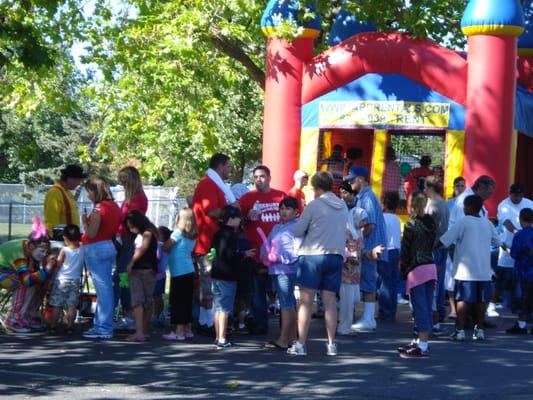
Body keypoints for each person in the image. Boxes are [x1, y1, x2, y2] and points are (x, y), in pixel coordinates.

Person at [287, 171, 349, 356]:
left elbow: (298, 230)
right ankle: (331, 345)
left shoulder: (314, 206)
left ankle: (301, 344)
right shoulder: (343, 205)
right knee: (330, 302)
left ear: (316, 188)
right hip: (335, 255)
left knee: (306, 302)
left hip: (312, 256)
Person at [439, 195, 503, 342]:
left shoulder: (463, 222)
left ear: (468, 207)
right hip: (484, 271)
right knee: (481, 302)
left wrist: (430, 247)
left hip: (465, 271)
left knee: (462, 300)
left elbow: (445, 241)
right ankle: (479, 330)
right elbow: (498, 241)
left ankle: (459, 331)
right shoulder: (487, 223)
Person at [192, 153, 236, 333]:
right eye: (228, 166)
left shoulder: (213, 184)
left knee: (214, 284)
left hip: (216, 243)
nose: (230, 170)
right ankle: (207, 322)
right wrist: (232, 212)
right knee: (209, 285)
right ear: (220, 166)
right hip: (208, 243)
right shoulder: (207, 184)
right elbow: (211, 211)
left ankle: (210, 321)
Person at [239, 165, 285, 335]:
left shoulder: (280, 196)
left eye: (262, 176)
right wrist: (246, 218)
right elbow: (236, 223)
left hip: (279, 254)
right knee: (258, 291)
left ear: (269, 177)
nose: (259, 180)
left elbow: (293, 220)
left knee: (283, 290)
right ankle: (261, 324)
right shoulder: (246, 198)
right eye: (256, 177)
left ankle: (286, 327)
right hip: (257, 254)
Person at [345, 165, 388, 332]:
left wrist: (355, 238)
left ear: (360, 179)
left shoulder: (368, 197)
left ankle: (369, 318)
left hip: (370, 246)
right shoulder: (364, 196)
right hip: (368, 245)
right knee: (365, 281)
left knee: (368, 281)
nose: (350, 183)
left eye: (352, 180)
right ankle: (367, 317)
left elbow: (369, 225)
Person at [397, 192, 436, 358]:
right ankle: (420, 341)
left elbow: (406, 250)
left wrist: (403, 269)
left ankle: (424, 344)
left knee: (419, 308)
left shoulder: (411, 224)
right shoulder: (431, 223)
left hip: (417, 268)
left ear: (412, 205)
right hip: (430, 265)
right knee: (426, 306)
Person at [0, 217, 57, 333]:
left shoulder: (30, 250)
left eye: (46, 252)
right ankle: (13, 319)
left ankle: (28, 316)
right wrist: (47, 269)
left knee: (41, 284)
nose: (44, 254)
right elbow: (27, 280)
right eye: (42, 252)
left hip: (9, 271)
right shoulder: (19, 254)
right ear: (31, 246)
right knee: (23, 283)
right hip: (3, 272)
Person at [82, 177, 121, 340]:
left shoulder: (99, 208)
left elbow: (91, 233)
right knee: (105, 288)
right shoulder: (114, 206)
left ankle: (104, 327)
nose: (88, 195)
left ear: (94, 191)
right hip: (108, 245)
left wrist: (85, 222)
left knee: (103, 290)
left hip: (96, 248)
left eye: (89, 191)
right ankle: (100, 325)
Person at [211, 206, 256, 349]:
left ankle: (218, 336)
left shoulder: (217, 234)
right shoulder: (231, 236)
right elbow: (230, 255)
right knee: (225, 308)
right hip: (227, 275)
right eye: (238, 218)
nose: (240, 221)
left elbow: (215, 253)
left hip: (216, 273)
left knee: (218, 307)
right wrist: (243, 254)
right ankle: (222, 338)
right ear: (231, 219)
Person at [261, 197, 301, 350]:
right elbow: (267, 245)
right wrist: (264, 255)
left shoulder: (296, 227)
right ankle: (291, 338)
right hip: (276, 270)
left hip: (287, 269)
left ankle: (284, 339)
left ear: (296, 212)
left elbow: (297, 251)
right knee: (287, 303)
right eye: (282, 208)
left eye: (288, 208)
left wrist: (279, 257)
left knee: (286, 304)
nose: (283, 211)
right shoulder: (276, 227)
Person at [490, 184, 533, 316]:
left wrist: (524, 236)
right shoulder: (504, 205)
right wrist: (518, 233)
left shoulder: (529, 203)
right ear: (509, 194)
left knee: (524, 283)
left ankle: (522, 309)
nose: (516, 198)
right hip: (509, 245)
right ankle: (492, 303)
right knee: (503, 277)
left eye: (519, 195)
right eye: (514, 195)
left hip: (527, 249)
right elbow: (506, 222)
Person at [114, 166, 148, 331]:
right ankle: (126, 313)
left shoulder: (139, 199)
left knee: (122, 277)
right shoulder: (130, 197)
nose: (121, 183)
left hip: (128, 241)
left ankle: (128, 314)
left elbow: (133, 220)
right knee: (121, 277)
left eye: (124, 180)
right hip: (121, 239)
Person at [162, 208, 198, 341]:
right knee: (186, 300)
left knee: (178, 301)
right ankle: (187, 329)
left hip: (179, 271)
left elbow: (166, 247)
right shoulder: (193, 235)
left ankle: (179, 331)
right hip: (188, 270)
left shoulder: (177, 233)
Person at [123, 211, 159, 342]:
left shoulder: (147, 233)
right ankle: (142, 330)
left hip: (141, 269)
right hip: (149, 270)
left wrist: (131, 262)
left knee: (138, 300)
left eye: (132, 226)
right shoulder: (149, 232)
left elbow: (142, 248)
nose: (131, 230)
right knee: (147, 301)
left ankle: (139, 331)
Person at [47, 224, 84, 335]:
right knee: (71, 305)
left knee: (57, 305)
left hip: (61, 280)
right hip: (75, 280)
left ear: (65, 238)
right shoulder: (82, 248)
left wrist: (51, 279)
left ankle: (53, 327)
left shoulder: (64, 250)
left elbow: (58, 265)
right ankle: (70, 327)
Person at [424, 176, 449, 326]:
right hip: (442, 245)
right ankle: (439, 312)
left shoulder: (432, 205)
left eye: (426, 187)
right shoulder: (443, 204)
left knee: (431, 283)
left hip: (434, 246)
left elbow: (428, 228)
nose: (424, 190)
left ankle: (434, 316)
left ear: (430, 188)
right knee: (439, 282)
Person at [505, 208, 533, 334]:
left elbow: (515, 254)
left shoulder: (519, 235)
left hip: (523, 272)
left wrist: (508, 249)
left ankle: (521, 325)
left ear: (521, 220)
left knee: (522, 300)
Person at [378, 191, 402, 321]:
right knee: (392, 282)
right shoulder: (396, 219)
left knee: (385, 282)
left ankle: (385, 312)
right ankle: (391, 310)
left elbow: (382, 236)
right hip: (395, 250)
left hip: (386, 250)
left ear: (384, 204)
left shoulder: (383, 218)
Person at [43, 164, 86, 237]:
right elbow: (51, 221)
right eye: (77, 180)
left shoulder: (67, 192)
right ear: (69, 178)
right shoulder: (55, 192)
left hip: (69, 239)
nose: (79, 183)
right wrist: (52, 238)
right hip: (60, 239)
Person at [153, 226, 172, 326]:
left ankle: (156, 315)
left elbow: (157, 258)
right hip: (162, 274)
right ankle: (159, 315)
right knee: (159, 296)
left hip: (157, 275)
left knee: (156, 296)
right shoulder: (167, 247)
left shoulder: (159, 245)